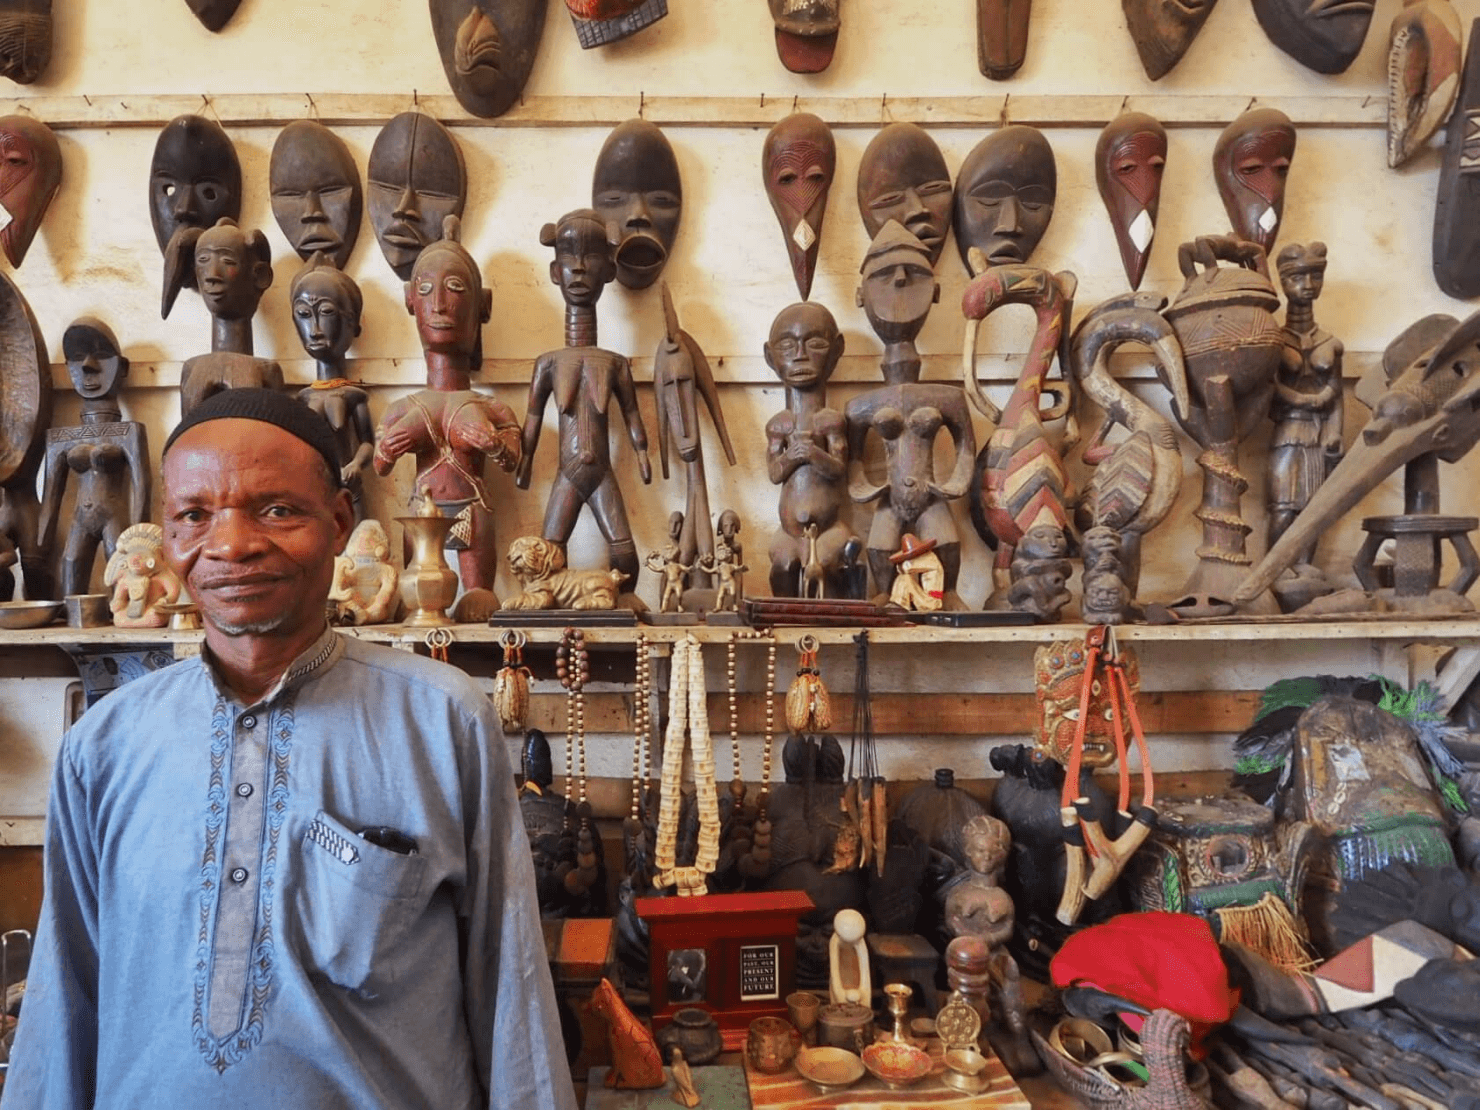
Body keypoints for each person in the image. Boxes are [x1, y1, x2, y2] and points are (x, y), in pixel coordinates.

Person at [3, 388, 578, 1110]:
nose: (232, 544)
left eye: (276, 509)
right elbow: (63, 1007)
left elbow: (511, 993)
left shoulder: (442, 723)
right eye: (194, 515)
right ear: (166, 535)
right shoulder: (103, 748)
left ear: (338, 524)